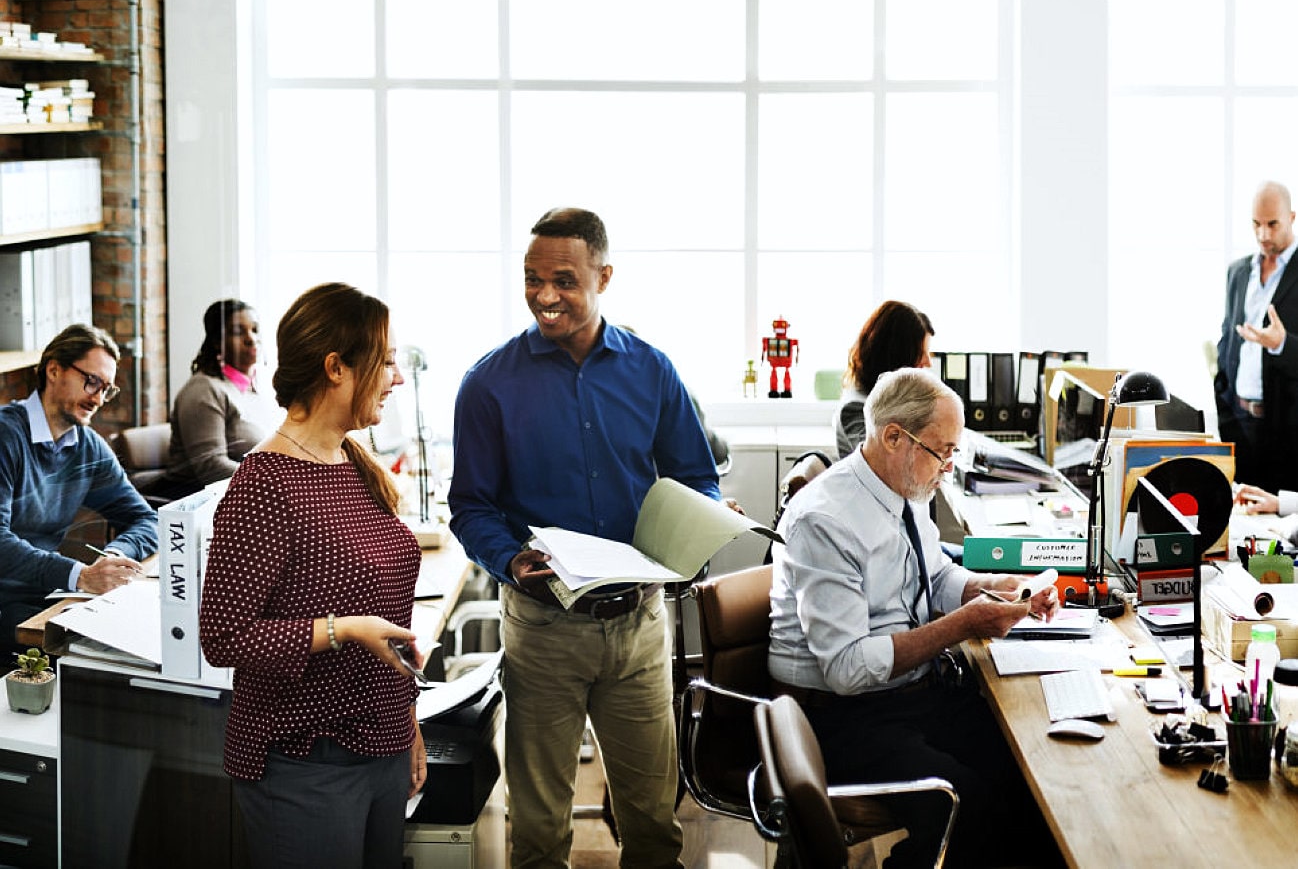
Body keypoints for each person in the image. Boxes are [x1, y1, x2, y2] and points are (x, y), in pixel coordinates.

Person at [449, 207, 719, 868]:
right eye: (532, 279)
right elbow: (471, 507)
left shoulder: (651, 369)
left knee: (654, 823)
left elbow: (696, 478)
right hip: (544, 628)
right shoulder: (488, 384)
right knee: (538, 830)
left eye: (564, 280)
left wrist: (691, 536)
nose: (545, 295)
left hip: (637, 628)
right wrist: (510, 557)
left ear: (604, 276)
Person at [769, 367, 1061, 868]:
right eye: (942, 451)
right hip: (840, 716)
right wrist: (966, 623)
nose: (949, 466)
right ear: (893, 437)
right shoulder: (827, 518)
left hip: (909, 695)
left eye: (954, 451)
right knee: (967, 802)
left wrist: (993, 587)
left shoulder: (905, 488)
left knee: (1035, 777)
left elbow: (935, 575)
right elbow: (847, 668)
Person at [198, 282, 426, 868]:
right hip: (305, 764)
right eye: (388, 361)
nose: (396, 378)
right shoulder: (264, 485)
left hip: (381, 746)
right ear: (336, 368)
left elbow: (390, 615)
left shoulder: (351, 460)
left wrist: (406, 722)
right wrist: (344, 629)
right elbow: (223, 637)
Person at [0, 323, 157, 658]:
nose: (98, 398)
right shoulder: (5, 436)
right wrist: (80, 576)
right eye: (92, 381)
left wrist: (113, 557)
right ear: (54, 370)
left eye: (107, 390)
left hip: (46, 593)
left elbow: (146, 519)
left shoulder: (87, 448)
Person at [1215, 180, 1298, 492]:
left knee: (1281, 533)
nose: (1263, 235)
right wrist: (1225, 409)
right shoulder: (1238, 272)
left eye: (1272, 224)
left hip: (1286, 433)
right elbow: (1227, 341)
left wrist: (1282, 344)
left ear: (1291, 218)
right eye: (1256, 224)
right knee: (1242, 526)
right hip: (1239, 424)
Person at [156, 299, 282, 499]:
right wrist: (275, 482)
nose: (251, 339)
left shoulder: (258, 388)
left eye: (255, 330)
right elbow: (211, 467)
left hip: (246, 494)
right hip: (195, 500)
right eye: (238, 332)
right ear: (217, 342)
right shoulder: (204, 390)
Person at [834, 300, 935, 459]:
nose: (928, 362)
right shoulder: (856, 408)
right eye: (921, 353)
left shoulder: (890, 398)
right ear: (897, 355)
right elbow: (887, 464)